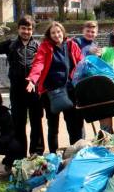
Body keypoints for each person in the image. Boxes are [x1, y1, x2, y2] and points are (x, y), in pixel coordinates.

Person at [0, 15, 44, 157]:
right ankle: (20, 154)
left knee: (37, 123)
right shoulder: (10, 44)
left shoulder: (38, 45)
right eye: (23, 28)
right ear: (18, 29)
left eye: (29, 29)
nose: (26, 31)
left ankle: (36, 152)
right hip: (17, 91)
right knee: (18, 124)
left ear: (33, 30)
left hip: (34, 91)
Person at [26, 22, 84, 154]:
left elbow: (82, 62)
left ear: (63, 32)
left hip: (70, 91)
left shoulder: (71, 45)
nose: (56, 35)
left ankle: (75, 152)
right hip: (50, 93)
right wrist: (32, 80)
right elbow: (38, 64)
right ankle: (53, 153)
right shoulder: (45, 47)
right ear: (49, 35)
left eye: (58, 32)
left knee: (72, 124)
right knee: (53, 126)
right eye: (53, 33)